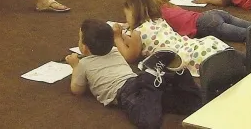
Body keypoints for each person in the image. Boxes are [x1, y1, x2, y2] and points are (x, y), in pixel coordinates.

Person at [66, 19, 201, 129]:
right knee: (192, 104)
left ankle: (153, 74)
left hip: (125, 92)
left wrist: (75, 66)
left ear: (84, 48)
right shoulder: (114, 51)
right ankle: (179, 74)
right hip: (140, 82)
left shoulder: (84, 64)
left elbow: (77, 90)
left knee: (149, 121)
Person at [114, 0, 233, 77]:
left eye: (127, 15)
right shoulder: (158, 20)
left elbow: (130, 56)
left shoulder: (137, 33)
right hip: (190, 44)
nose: (126, 19)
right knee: (212, 50)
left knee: (207, 61)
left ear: (135, 13)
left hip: (179, 56)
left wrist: (117, 38)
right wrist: (124, 36)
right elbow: (137, 44)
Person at [138, 0, 251, 42]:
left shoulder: (158, 17)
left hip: (204, 24)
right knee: (250, 26)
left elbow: (145, 28)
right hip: (211, 14)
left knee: (245, 35)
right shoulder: (169, 6)